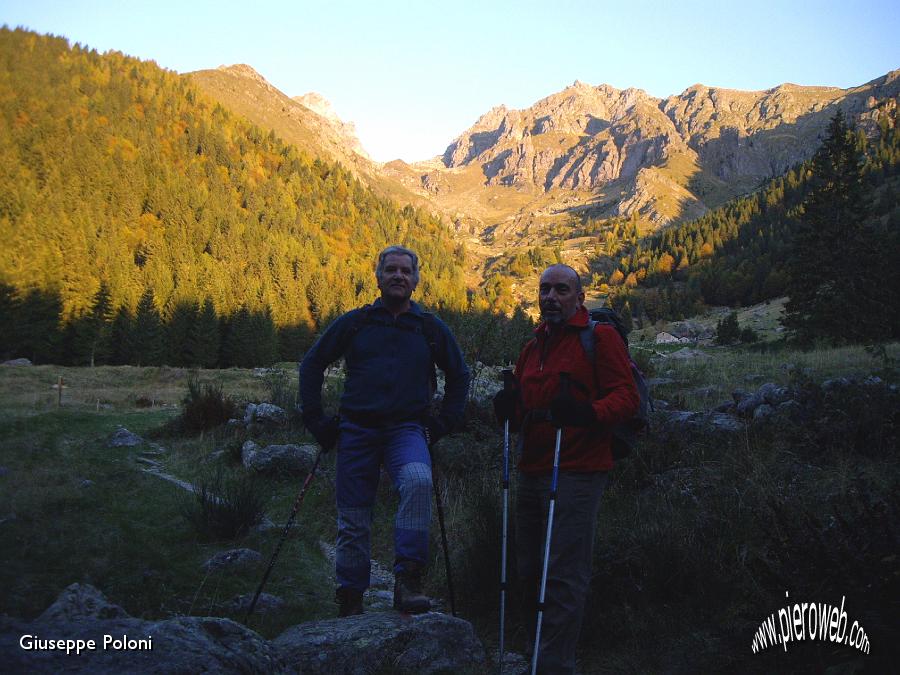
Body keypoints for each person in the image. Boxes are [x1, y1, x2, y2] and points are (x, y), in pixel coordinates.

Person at [299, 245, 471, 617]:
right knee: (354, 516)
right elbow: (311, 365)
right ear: (377, 277)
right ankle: (350, 596)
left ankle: (407, 582)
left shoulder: (429, 328)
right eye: (390, 270)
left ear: (416, 279)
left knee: (418, 482)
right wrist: (317, 422)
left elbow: (460, 375)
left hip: (406, 430)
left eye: (405, 271)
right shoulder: (356, 323)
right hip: (356, 430)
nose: (398, 276)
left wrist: (442, 425)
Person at [493, 264, 639, 674]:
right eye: (544, 290)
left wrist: (587, 413)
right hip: (532, 468)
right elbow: (524, 404)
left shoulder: (600, 339)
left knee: (562, 574)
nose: (551, 297)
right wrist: (509, 408)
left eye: (561, 289)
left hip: (577, 469)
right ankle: (535, 652)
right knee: (529, 570)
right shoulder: (533, 345)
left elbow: (627, 399)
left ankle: (553, 665)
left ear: (579, 296)